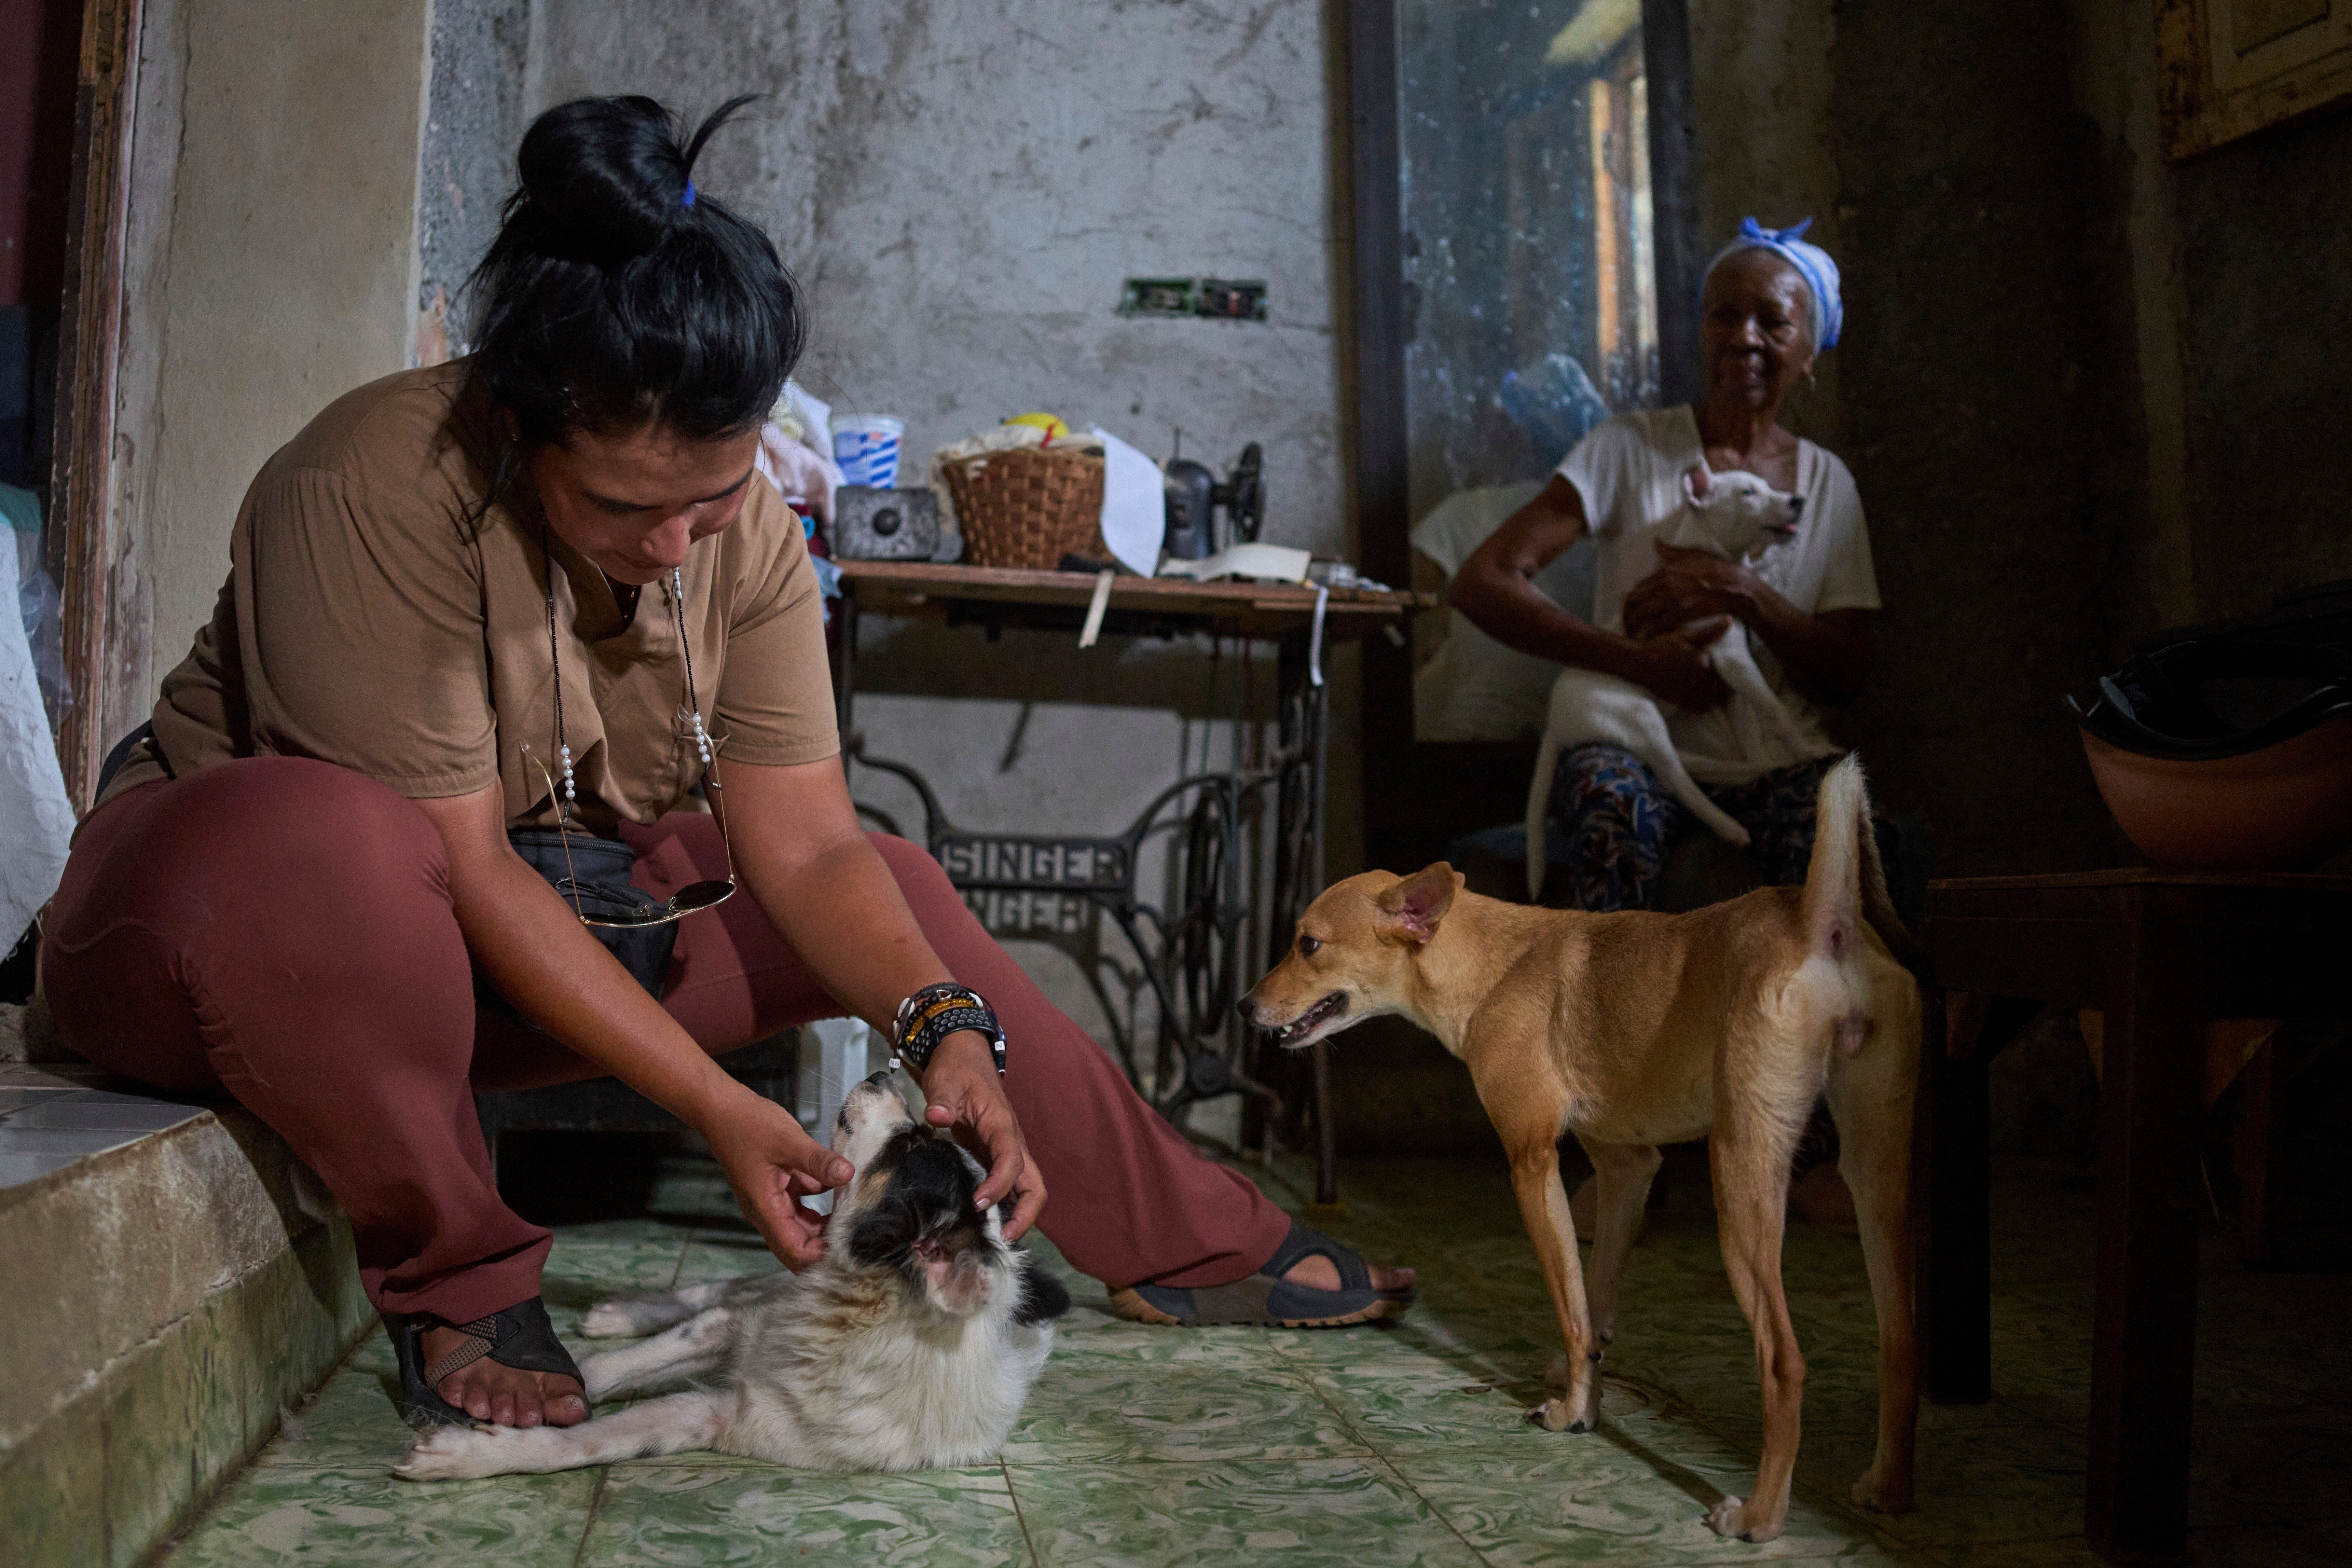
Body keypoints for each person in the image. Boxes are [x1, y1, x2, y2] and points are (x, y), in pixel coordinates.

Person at [40, 96, 1409, 1434]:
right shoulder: (373, 487)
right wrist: (717, 1105)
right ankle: (459, 1279)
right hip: (223, 938)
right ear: (519, 427)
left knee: (888, 883)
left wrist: (946, 1027)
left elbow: (807, 847)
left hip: (493, 934)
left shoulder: (738, 529)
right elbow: (451, 863)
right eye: (625, 506)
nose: (678, 544)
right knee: (339, 841)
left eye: (714, 492)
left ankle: (1193, 1245)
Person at [1449, 216, 1877, 914]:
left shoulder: (1826, 485)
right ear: (1701, 335)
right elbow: (1481, 582)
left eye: (1770, 322)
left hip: (1769, 756)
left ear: (1807, 353)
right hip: (1632, 744)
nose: (1743, 338)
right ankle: (1621, 1019)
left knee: (1838, 839)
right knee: (1609, 804)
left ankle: (1807, 1023)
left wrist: (1740, 592)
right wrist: (1637, 663)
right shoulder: (1628, 447)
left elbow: (1846, 674)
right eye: (1723, 316)